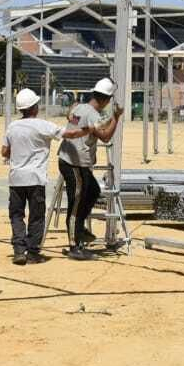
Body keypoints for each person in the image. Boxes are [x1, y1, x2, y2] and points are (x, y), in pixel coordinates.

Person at [0, 88, 90, 265]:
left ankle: (19, 250)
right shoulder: (43, 126)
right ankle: (33, 252)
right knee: (36, 216)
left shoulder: (12, 127)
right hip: (35, 179)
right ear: (34, 108)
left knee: (16, 215)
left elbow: (4, 151)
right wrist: (87, 129)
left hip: (16, 179)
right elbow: (69, 133)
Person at [57, 77, 125, 260]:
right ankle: (74, 244)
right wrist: (116, 118)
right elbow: (105, 137)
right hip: (74, 163)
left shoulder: (80, 108)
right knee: (76, 203)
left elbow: (69, 115)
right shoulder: (94, 115)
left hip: (73, 160)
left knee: (93, 191)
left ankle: (79, 229)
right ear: (106, 99)